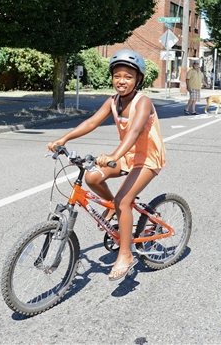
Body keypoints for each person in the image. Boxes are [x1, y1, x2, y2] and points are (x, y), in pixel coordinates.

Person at [47, 49, 166, 282]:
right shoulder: (113, 101)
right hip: (127, 155)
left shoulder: (143, 102)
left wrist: (113, 155)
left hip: (148, 158)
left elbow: (133, 132)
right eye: (117, 76)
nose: (122, 81)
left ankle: (125, 253)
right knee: (92, 178)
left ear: (138, 80)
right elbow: (92, 121)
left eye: (128, 77)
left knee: (123, 200)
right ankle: (115, 206)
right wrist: (64, 138)